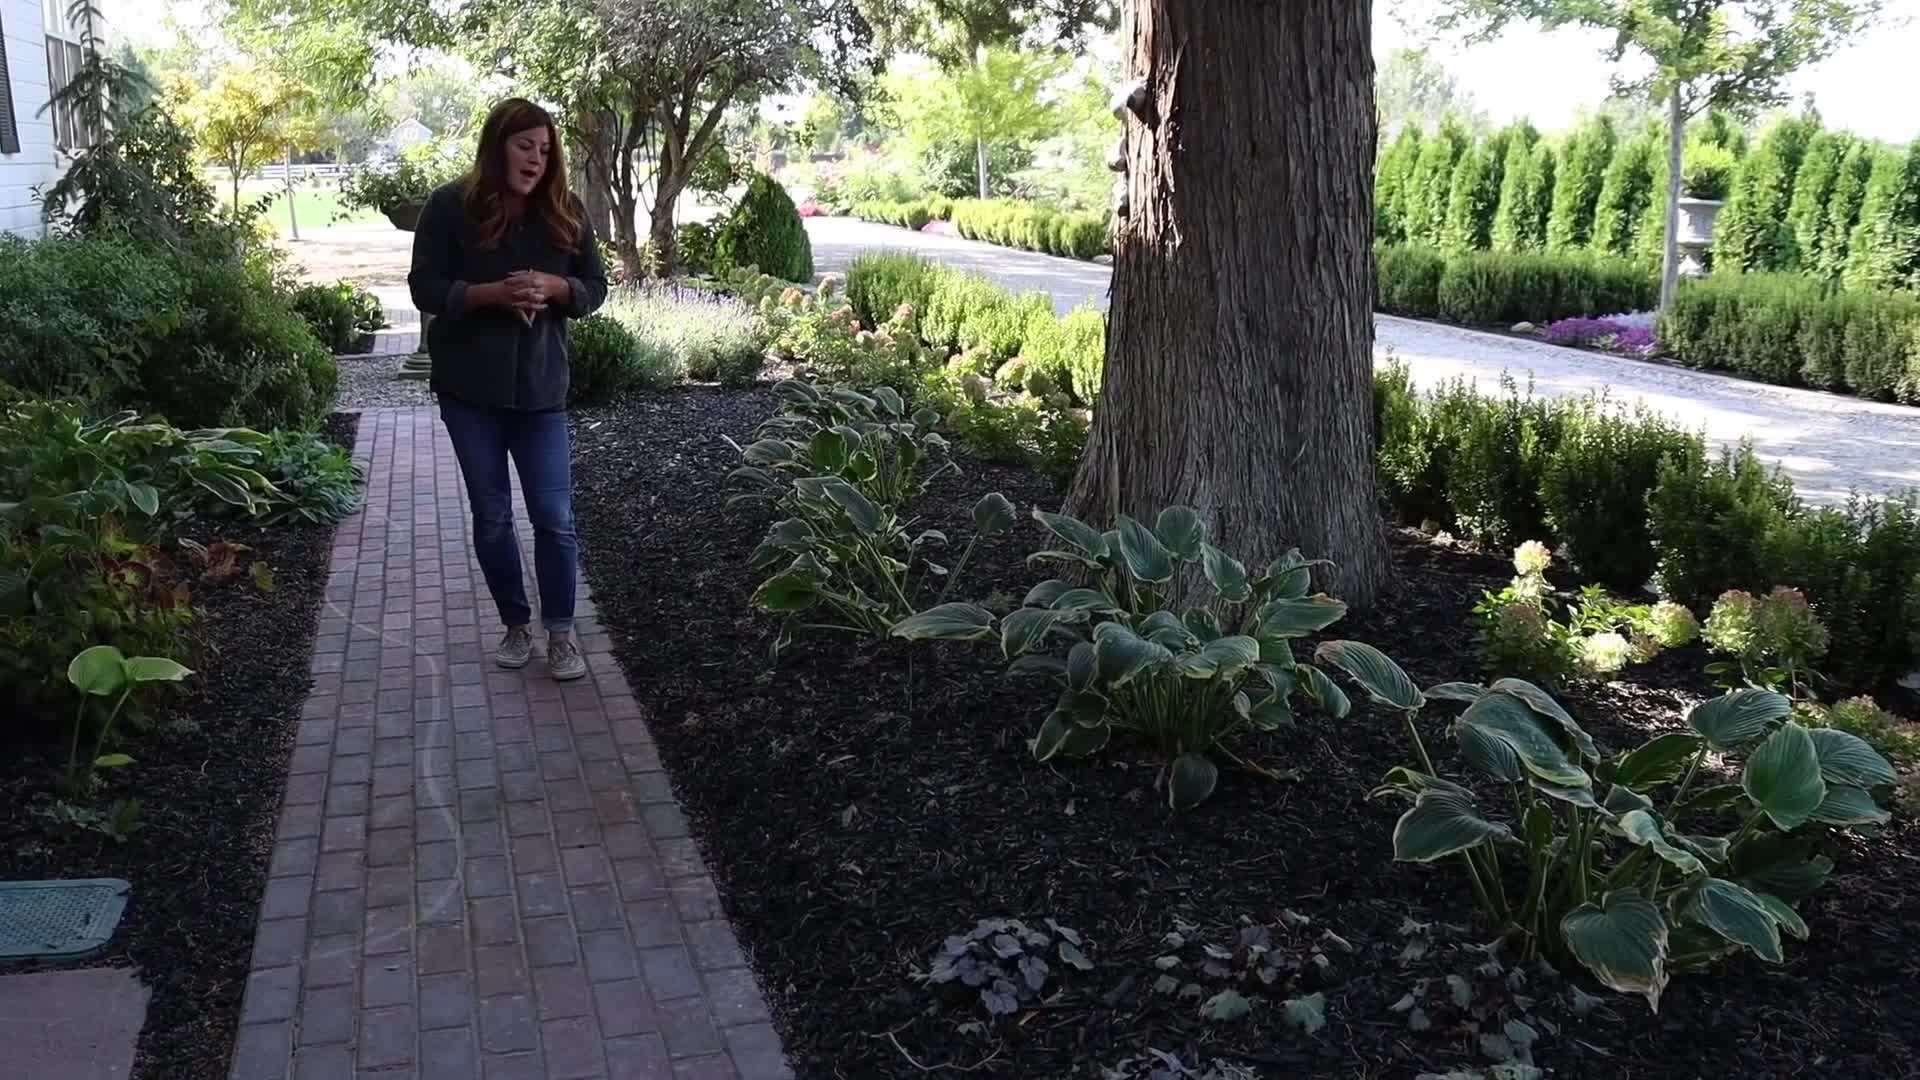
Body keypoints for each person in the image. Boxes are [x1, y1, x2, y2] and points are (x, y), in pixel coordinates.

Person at [407, 98, 609, 681]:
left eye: (545, 149)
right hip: (468, 391)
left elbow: (594, 287)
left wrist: (557, 287)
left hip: (541, 391)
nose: (536, 159)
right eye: (525, 146)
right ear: (497, 146)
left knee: (554, 516)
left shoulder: (565, 210)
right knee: (492, 515)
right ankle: (516, 624)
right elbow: (424, 287)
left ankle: (561, 634)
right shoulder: (450, 206)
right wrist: (491, 295)